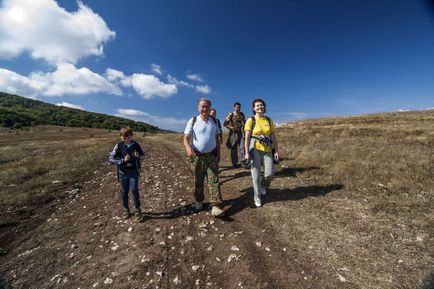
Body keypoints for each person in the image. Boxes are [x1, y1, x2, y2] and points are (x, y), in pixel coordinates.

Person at [183, 98, 225, 217]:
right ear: (198, 108)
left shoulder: (214, 121)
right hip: (197, 157)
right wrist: (188, 149)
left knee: (214, 181)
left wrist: (219, 154)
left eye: (207, 107)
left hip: (211, 156)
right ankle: (199, 201)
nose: (204, 109)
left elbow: (216, 139)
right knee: (198, 180)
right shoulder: (193, 120)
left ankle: (215, 206)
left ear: (210, 108)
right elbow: (185, 138)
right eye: (202, 106)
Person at [244, 98, 279, 207]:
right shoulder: (251, 120)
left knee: (269, 173)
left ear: (264, 107)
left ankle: (263, 185)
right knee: (256, 174)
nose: (260, 107)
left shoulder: (269, 120)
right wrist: (246, 152)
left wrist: (276, 150)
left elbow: (273, 136)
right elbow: (247, 137)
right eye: (257, 106)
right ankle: (257, 197)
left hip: (267, 149)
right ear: (254, 108)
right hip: (254, 149)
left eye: (261, 105)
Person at [109, 127, 145, 220]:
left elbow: (143, 156)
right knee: (124, 192)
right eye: (123, 137)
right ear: (121, 136)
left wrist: (138, 157)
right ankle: (126, 209)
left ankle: (137, 210)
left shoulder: (136, 144)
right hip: (122, 172)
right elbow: (111, 158)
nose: (125, 139)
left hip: (133, 171)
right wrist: (122, 160)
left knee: (134, 190)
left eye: (127, 137)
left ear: (131, 136)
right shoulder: (118, 146)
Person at [224, 102, 246, 168]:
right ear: (234, 107)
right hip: (233, 133)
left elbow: (245, 123)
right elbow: (225, 123)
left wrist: (245, 132)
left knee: (242, 147)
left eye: (239, 107)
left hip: (240, 132)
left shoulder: (242, 114)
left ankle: (243, 162)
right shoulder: (231, 114)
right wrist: (232, 128)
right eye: (237, 107)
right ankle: (234, 163)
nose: (238, 108)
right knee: (233, 148)